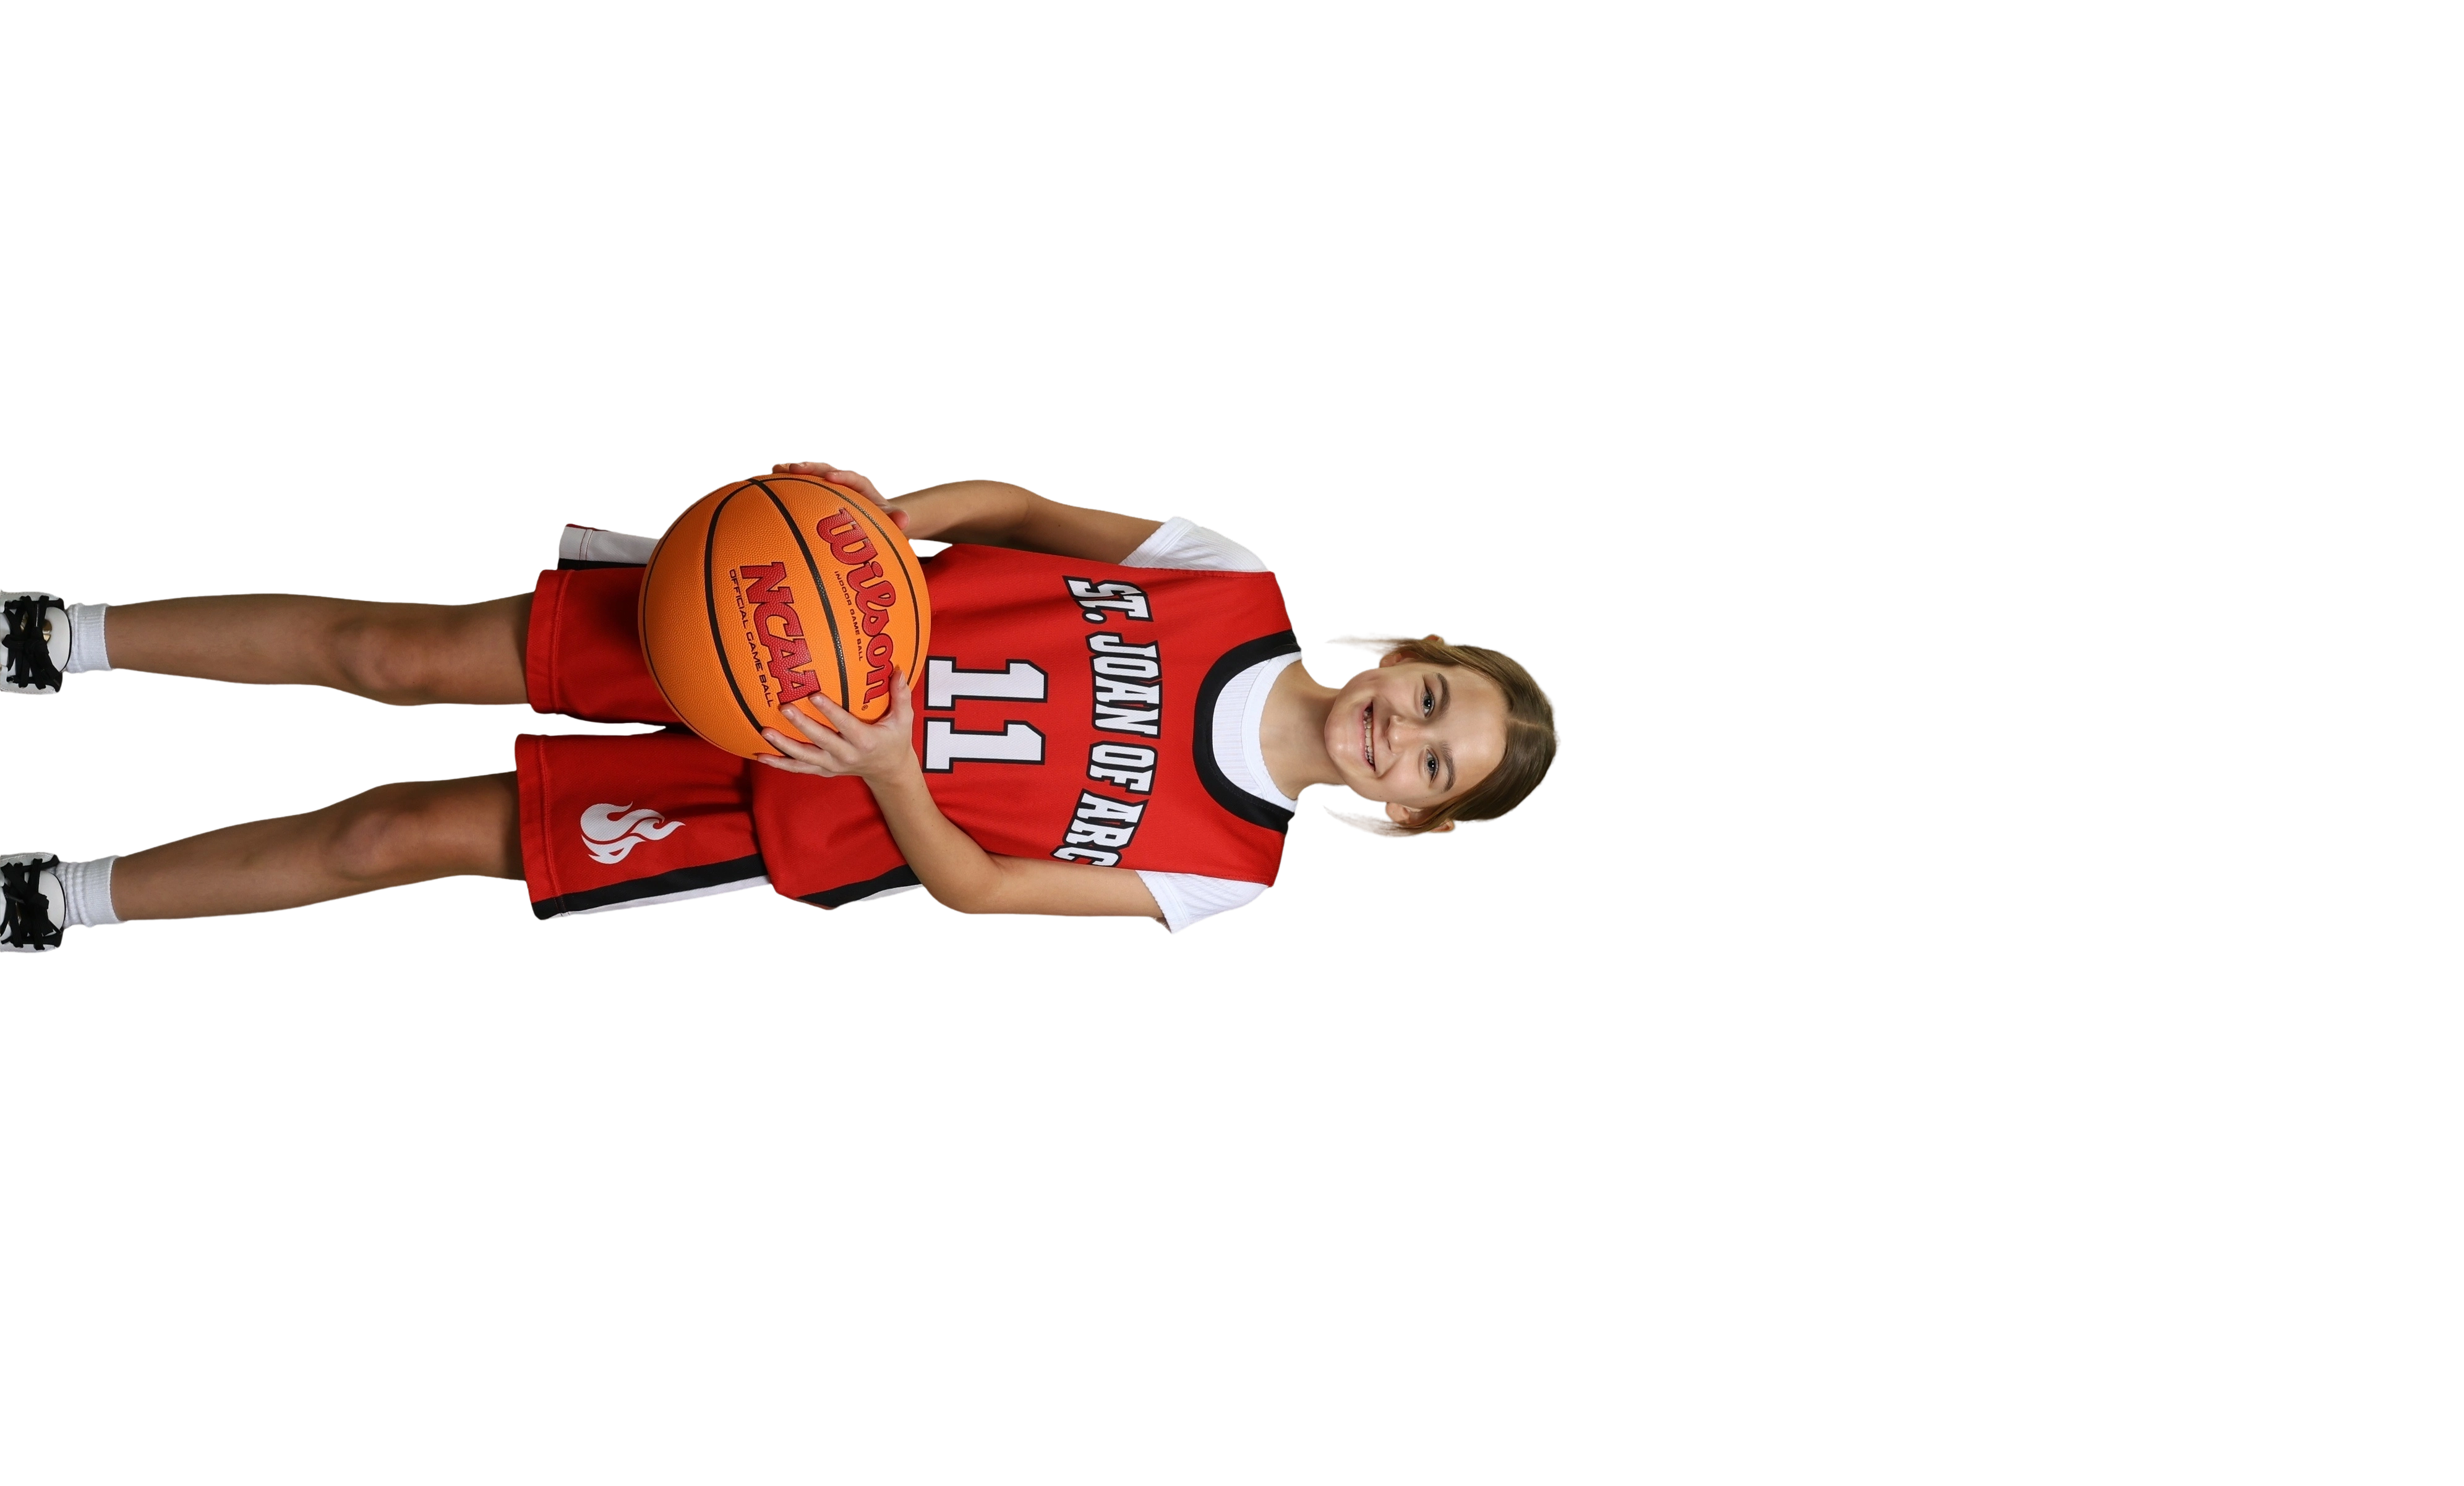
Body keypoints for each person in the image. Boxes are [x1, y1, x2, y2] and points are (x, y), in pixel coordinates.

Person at [1, 465, 1560, 952]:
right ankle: (55, 633)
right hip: (749, 629)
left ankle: (56, 895)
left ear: (1403, 813)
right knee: (391, 653)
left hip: (787, 800)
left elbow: (984, 890)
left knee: (388, 837)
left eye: (1434, 764)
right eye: (1432, 697)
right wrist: (876, 524)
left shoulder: (1227, 869)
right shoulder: (1229, 578)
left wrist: (886, 763)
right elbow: (1018, 509)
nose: (1404, 731)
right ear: (1401, 650)